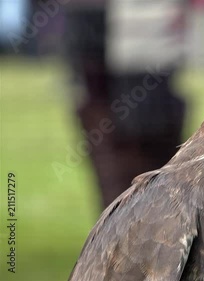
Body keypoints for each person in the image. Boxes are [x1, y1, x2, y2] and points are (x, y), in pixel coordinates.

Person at [64, 0, 186, 208]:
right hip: (99, 22)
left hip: (144, 26)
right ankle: (122, 221)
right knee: (105, 117)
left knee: (149, 126)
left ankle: (142, 218)